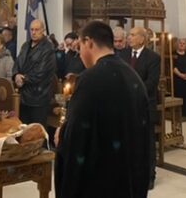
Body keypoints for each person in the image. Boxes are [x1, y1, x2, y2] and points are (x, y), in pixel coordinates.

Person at [55, 20, 150, 198]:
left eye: (80, 46)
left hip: (100, 178)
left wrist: (63, 133)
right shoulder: (133, 76)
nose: (79, 54)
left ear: (89, 42)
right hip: (128, 175)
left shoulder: (89, 79)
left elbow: (78, 133)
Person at [119, 26, 160, 190]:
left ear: (142, 39)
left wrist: (132, 91)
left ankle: (149, 176)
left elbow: (151, 82)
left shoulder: (153, 57)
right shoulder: (122, 55)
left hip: (144, 106)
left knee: (147, 143)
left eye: (133, 35)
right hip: (126, 106)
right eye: (129, 35)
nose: (129, 37)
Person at [12, 19, 56, 127]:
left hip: (38, 97)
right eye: (31, 29)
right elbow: (17, 62)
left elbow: (41, 72)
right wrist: (16, 75)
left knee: (37, 130)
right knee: (23, 128)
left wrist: (23, 79)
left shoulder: (48, 48)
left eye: (37, 29)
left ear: (43, 30)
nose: (33, 32)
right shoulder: (25, 45)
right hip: (23, 95)